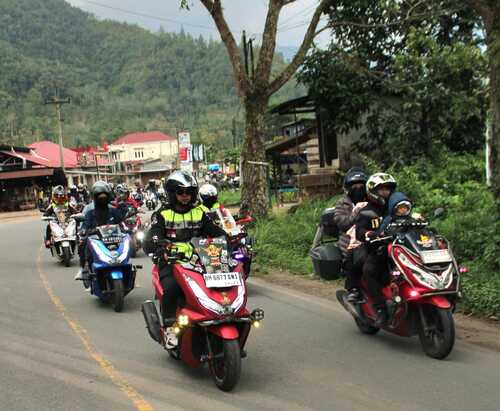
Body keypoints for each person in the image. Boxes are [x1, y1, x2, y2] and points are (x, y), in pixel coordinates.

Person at [144, 171, 226, 348]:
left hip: (200, 261)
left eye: (189, 192)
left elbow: (216, 232)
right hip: (172, 262)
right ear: (172, 193)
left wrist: (228, 240)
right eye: (181, 192)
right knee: (172, 288)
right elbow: (152, 238)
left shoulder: (200, 213)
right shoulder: (162, 214)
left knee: (220, 286)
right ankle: (169, 329)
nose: (185, 196)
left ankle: (219, 316)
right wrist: (158, 247)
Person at [354, 172, 397, 326]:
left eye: (388, 189)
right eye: (382, 189)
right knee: (369, 271)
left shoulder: (396, 207)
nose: (386, 192)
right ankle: (381, 309)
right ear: (372, 191)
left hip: (399, 247)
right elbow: (359, 231)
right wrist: (369, 234)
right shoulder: (366, 211)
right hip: (377, 249)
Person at [75, 181, 125, 283]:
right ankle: (84, 270)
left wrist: (123, 208)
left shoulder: (113, 210)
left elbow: (121, 220)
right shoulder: (89, 212)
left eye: (104, 196)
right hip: (96, 240)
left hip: (114, 239)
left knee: (127, 241)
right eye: (99, 196)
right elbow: (84, 226)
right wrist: (84, 230)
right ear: (94, 197)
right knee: (83, 245)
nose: (102, 199)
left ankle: (127, 266)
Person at [333, 167, 369, 302]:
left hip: (371, 236)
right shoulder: (342, 204)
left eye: (361, 185)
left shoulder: (372, 200)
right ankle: (354, 289)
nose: (358, 188)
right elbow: (342, 223)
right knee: (355, 256)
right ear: (348, 187)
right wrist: (356, 212)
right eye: (354, 185)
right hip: (349, 242)